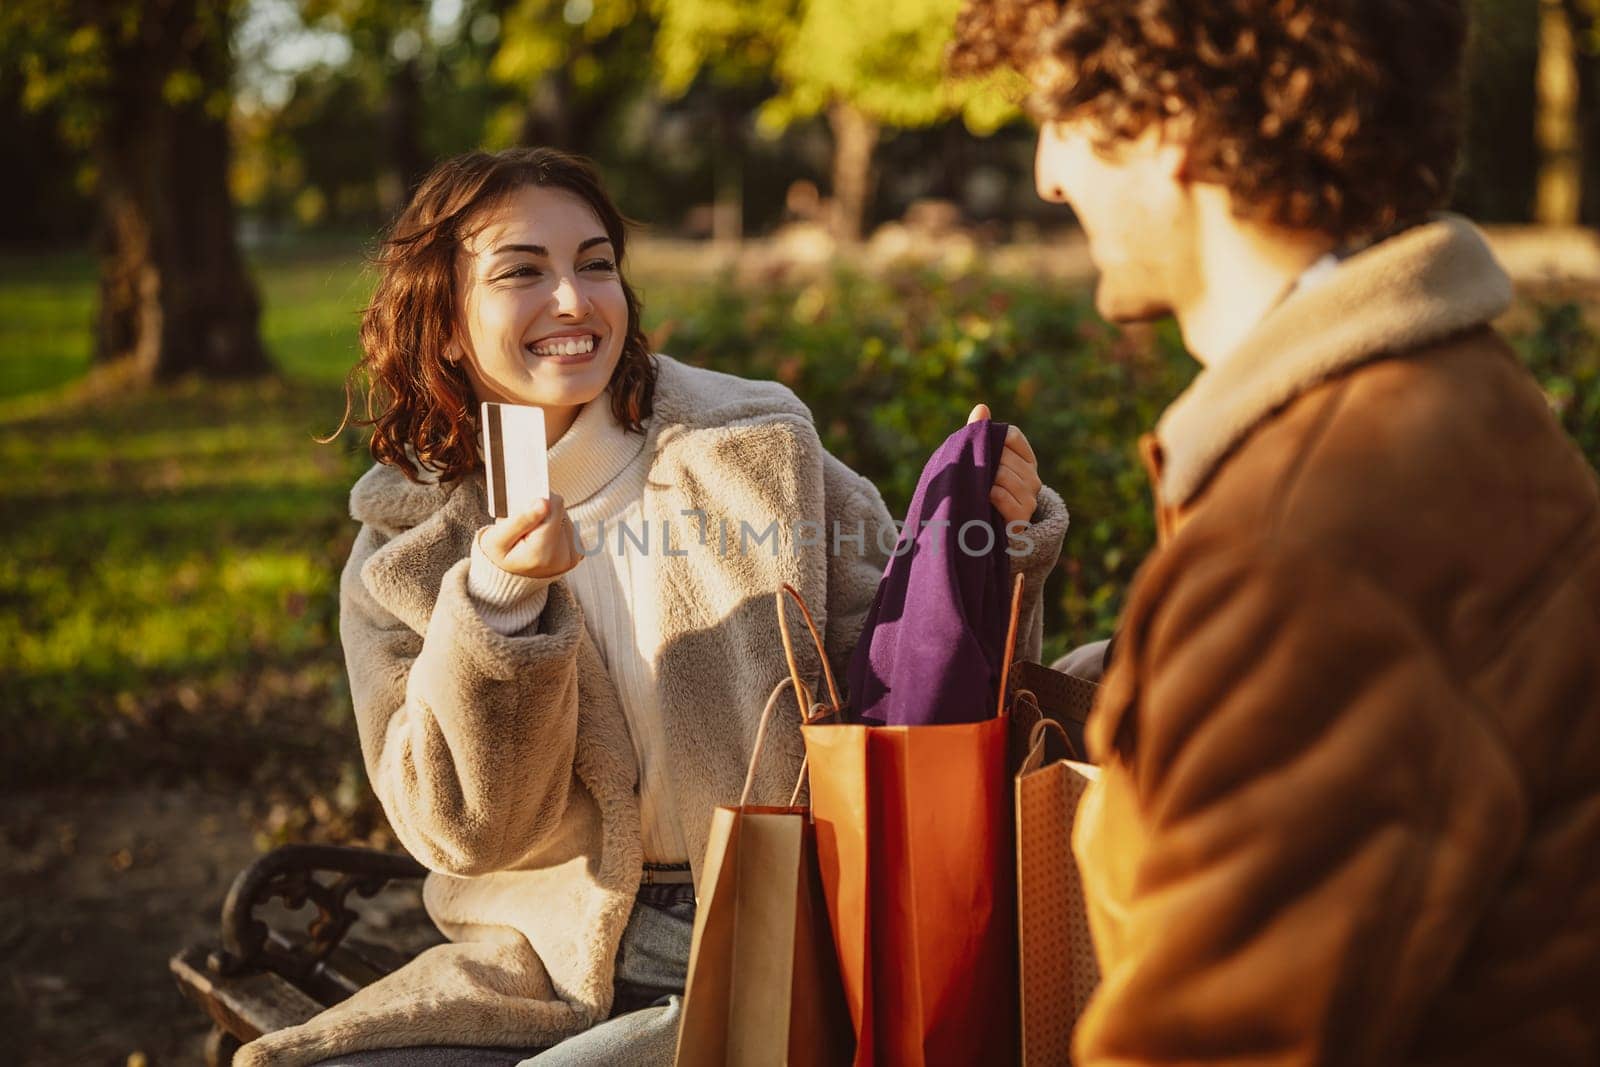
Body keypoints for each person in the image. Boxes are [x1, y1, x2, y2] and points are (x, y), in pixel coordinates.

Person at [234, 146, 1068, 1067]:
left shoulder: (749, 444)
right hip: (544, 962)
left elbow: (920, 676)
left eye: (595, 263)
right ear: (444, 325)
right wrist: (498, 611)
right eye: (523, 272)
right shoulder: (404, 546)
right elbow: (460, 831)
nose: (572, 301)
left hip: (782, 933)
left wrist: (997, 540)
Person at [952, 2, 1600, 1064]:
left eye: (1060, 116)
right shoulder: (1452, 396)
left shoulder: (1310, 535)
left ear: (1168, 122)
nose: (1045, 174)